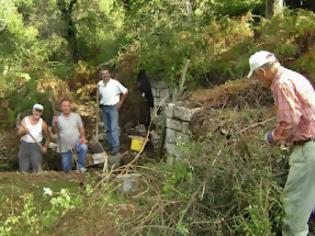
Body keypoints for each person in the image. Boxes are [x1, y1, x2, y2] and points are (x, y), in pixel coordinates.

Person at [248, 50, 315, 236]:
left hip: (308, 149)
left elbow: (290, 120)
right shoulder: (294, 77)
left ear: (262, 72)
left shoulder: (281, 83)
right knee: (308, 202)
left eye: (256, 76)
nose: (259, 81)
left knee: (294, 206)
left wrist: (273, 137)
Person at [97, 68, 128, 155]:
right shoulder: (99, 84)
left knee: (113, 127)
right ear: (101, 76)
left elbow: (125, 91)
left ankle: (116, 146)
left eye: (107, 73)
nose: (105, 75)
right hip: (104, 107)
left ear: (109, 74)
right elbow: (99, 95)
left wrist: (120, 103)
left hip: (113, 107)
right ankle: (110, 144)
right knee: (107, 128)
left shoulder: (115, 83)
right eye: (103, 74)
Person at [52, 98, 88, 173]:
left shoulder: (76, 116)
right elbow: (53, 131)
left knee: (83, 147)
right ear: (61, 107)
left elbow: (81, 128)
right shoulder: (58, 118)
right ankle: (69, 173)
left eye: (68, 106)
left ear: (70, 107)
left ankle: (81, 166)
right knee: (66, 169)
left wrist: (82, 137)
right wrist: (55, 124)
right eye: (64, 106)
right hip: (64, 146)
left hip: (76, 142)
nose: (66, 108)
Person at [17, 103, 50, 172]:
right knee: (23, 167)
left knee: (37, 166)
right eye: (36, 111)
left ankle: (37, 181)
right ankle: (24, 179)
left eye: (39, 111)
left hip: (36, 146)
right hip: (24, 145)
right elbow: (18, 134)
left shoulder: (43, 124)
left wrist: (45, 147)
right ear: (33, 111)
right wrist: (24, 132)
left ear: (41, 113)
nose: (37, 113)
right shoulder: (25, 120)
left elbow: (48, 137)